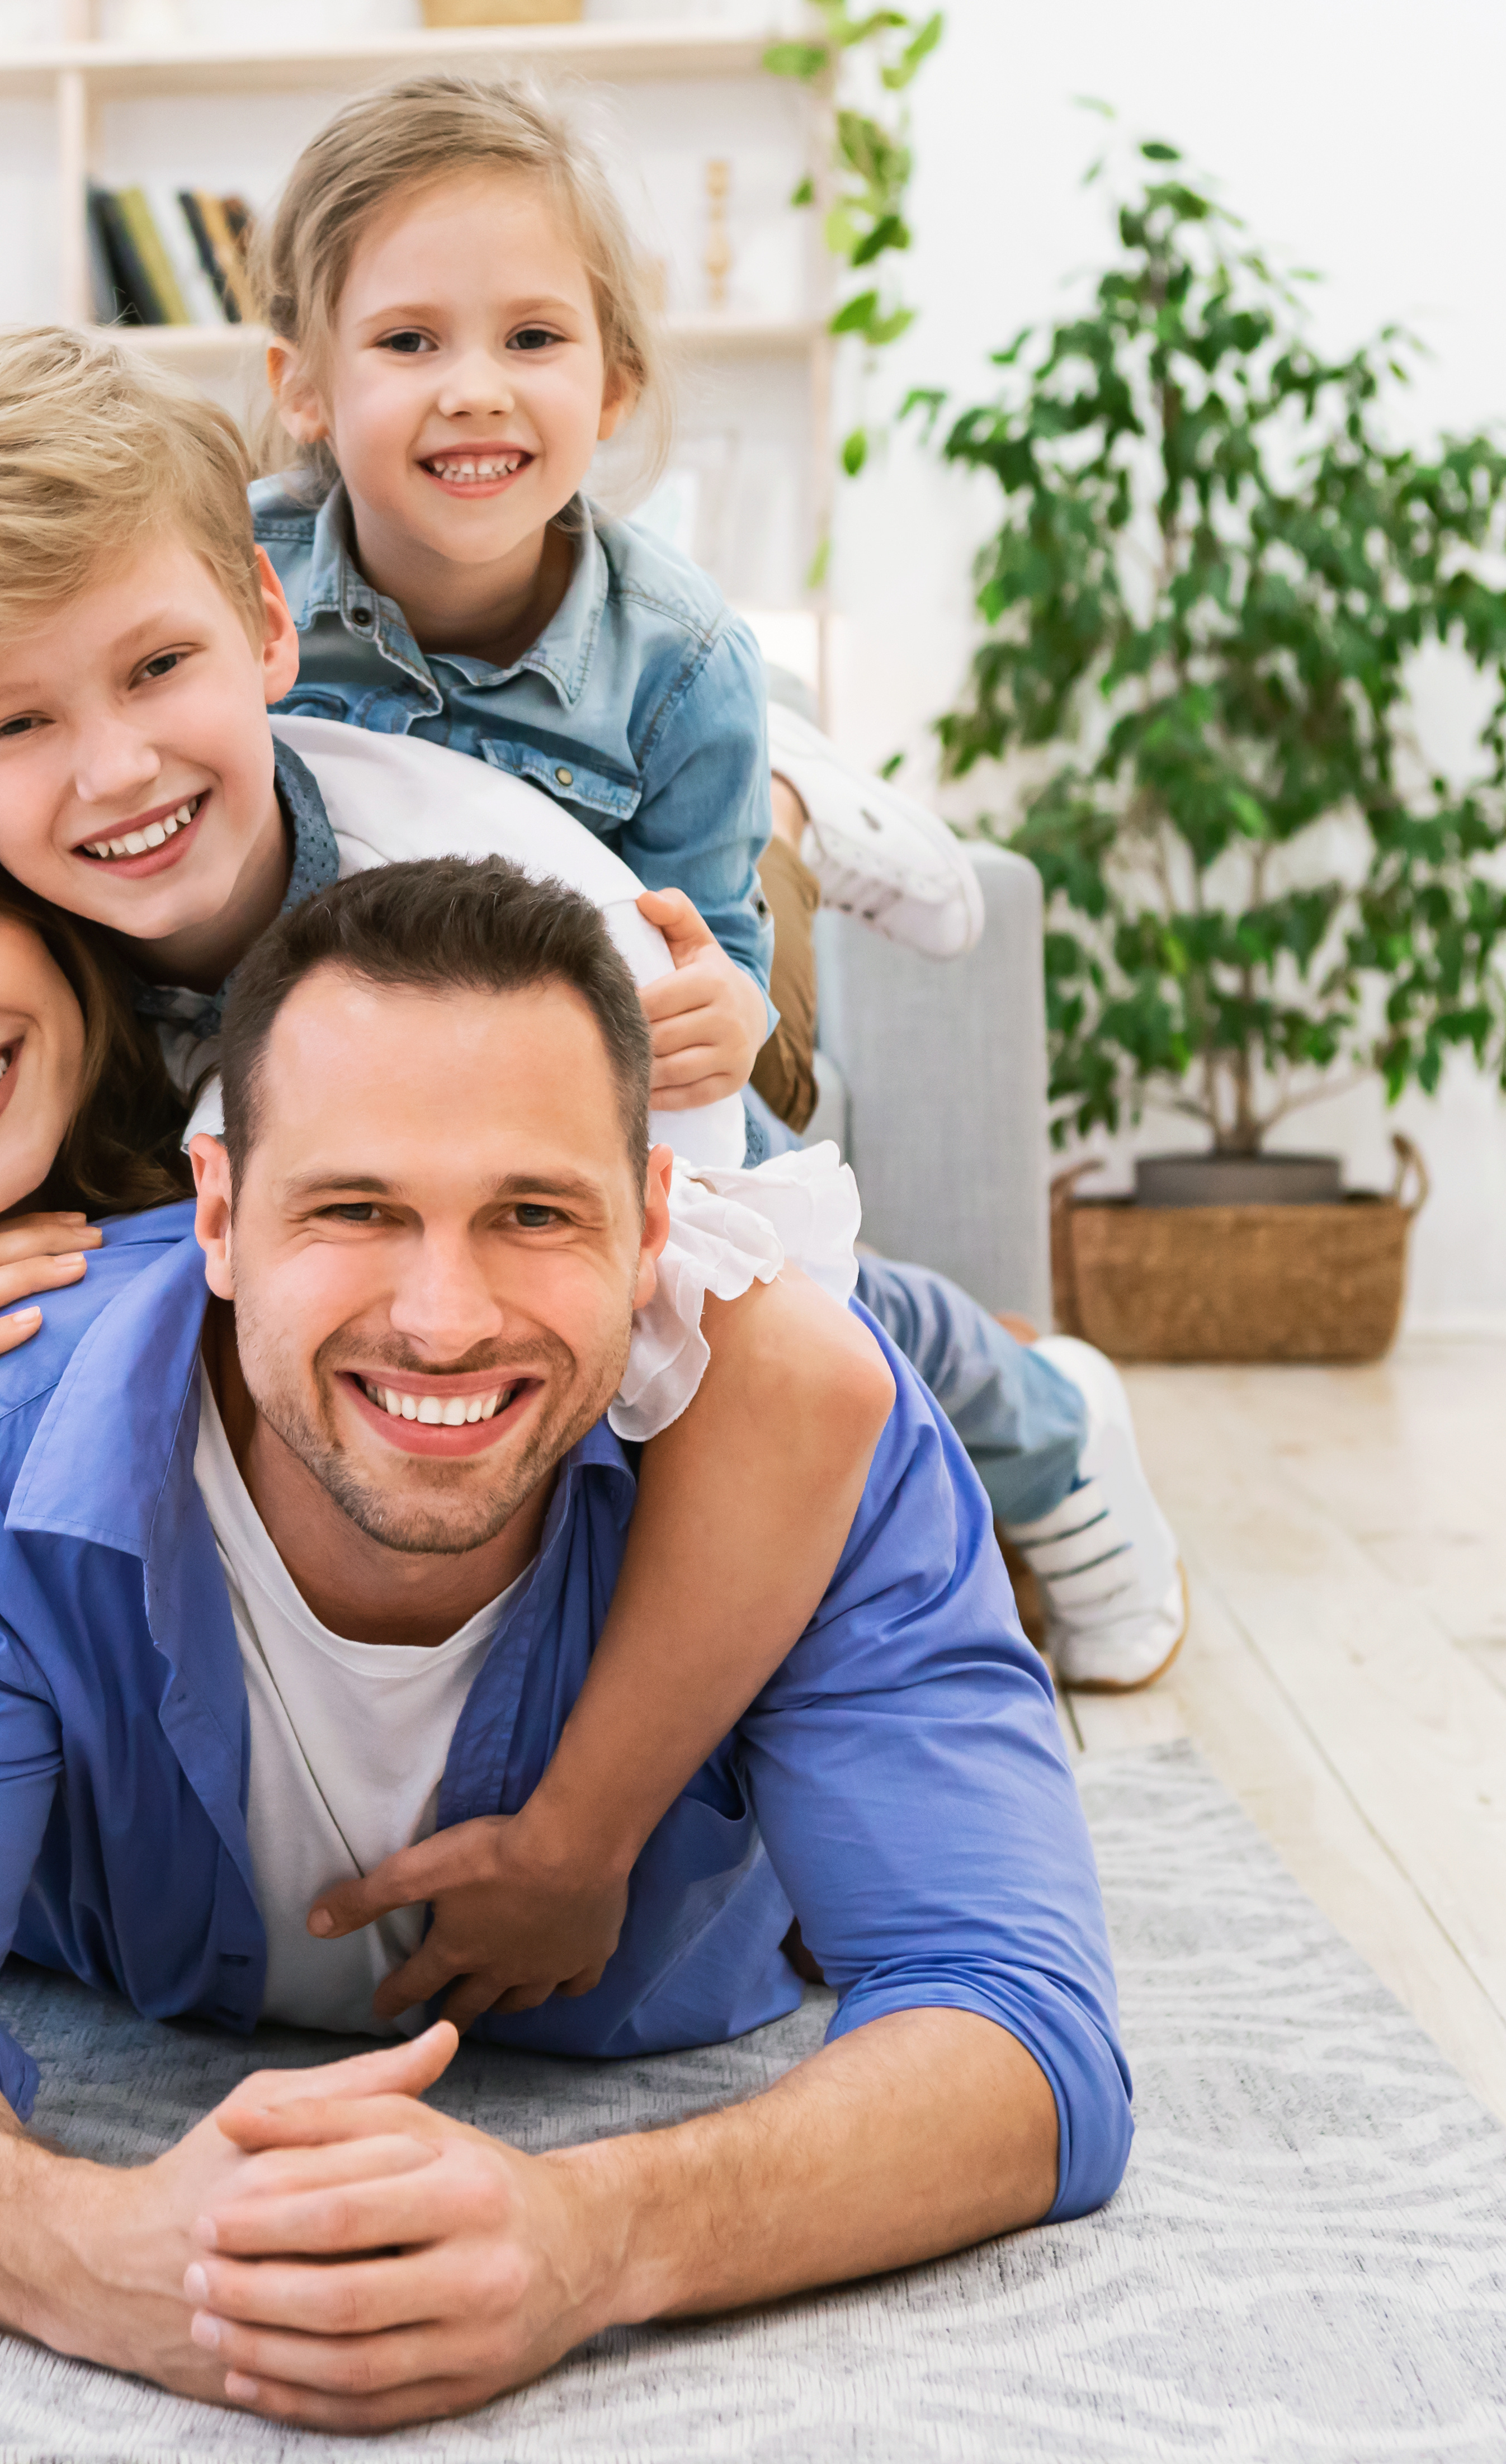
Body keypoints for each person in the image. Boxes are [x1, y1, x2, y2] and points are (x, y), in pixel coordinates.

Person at [0, 857, 1127, 2431]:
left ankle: (1067, 1408)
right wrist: (98, 2250)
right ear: (220, 1214)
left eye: (531, 1212)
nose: (443, 1316)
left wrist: (599, 2233)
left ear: (653, 1222)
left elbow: (1017, 2026)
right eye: (356, 1209)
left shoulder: (834, 1462)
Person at [0, 684, 871, 2034]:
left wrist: (578, 1838)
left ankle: (801, 811)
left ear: (38, 910)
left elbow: (799, 1371)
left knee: (883, 1331)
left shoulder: (279, 1135)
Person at [237, 71, 1187, 1692]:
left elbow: (721, 960)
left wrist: (724, 1006)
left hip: (596, 1056)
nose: (475, 389)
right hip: (356, 1074)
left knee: (769, 1280)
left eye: (531, 339)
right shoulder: (242, 582)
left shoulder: (678, 657)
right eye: (409, 343)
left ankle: (1049, 1425)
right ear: (306, 384)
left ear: (611, 384)